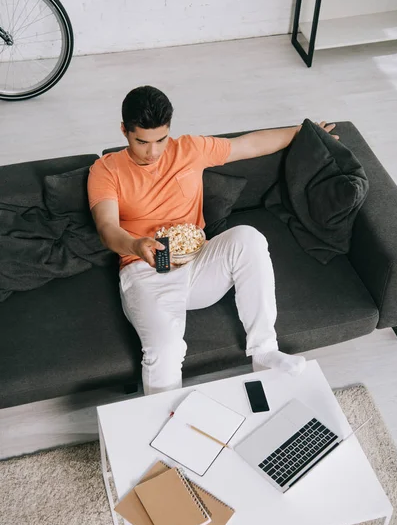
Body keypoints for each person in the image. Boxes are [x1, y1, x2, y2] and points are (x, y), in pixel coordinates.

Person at [88, 86, 338, 395]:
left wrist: (307, 133)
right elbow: (107, 227)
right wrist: (136, 245)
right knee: (165, 350)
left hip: (199, 264)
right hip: (145, 273)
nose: (152, 152)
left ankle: (264, 350)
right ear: (124, 130)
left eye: (160, 140)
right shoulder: (106, 170)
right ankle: (166, 420)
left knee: (248, 238)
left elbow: (248, 144)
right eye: (141, 141)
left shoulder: (189, 149)